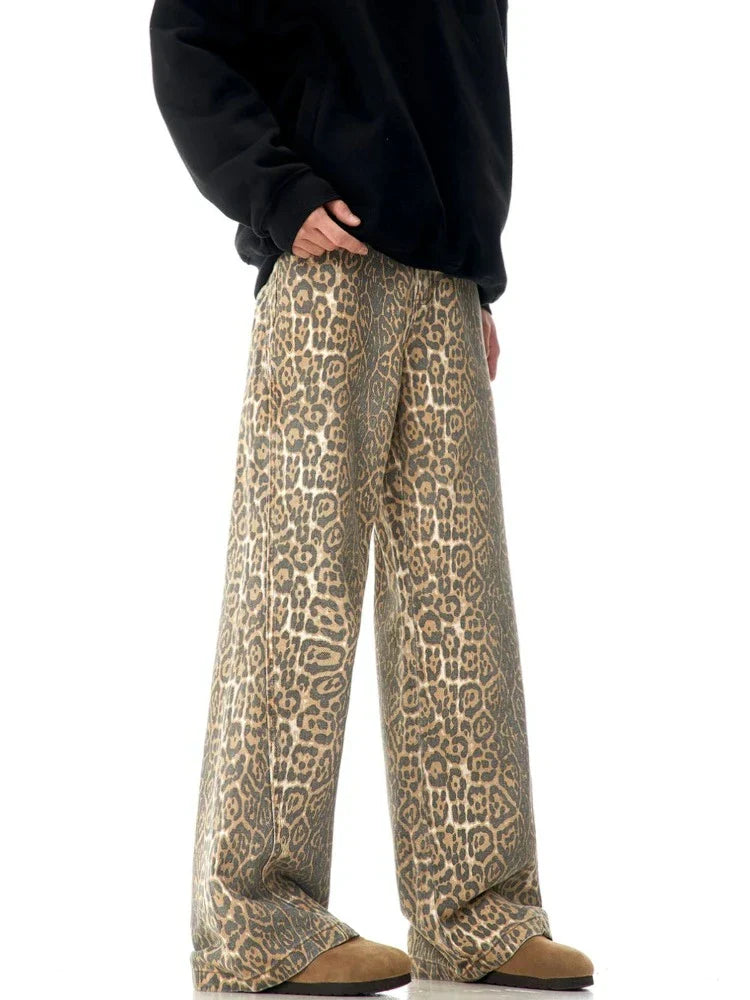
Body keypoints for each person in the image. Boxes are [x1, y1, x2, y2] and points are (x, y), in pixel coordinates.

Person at [149, 0, 593, 992]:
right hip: (327, 270)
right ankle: (256, 921)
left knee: (460, 606)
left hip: (446, 282)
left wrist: (474, 270)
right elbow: (189, 34)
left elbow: (466, 92)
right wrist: (274, 190)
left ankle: (476, 915)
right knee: (296, 595)